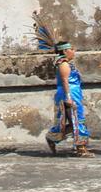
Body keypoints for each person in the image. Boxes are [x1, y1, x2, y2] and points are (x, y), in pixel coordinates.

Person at [35, 15, 92, 157]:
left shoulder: (68, 63)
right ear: (65, 51)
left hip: (74, 93)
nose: (74, 51)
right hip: (69, 94)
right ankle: (81, 149)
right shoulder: (64, 64)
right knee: (76, 119)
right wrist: (68, 97)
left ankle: (53, 137)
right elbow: (65, 81)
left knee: (75, 121)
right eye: (71, 49)